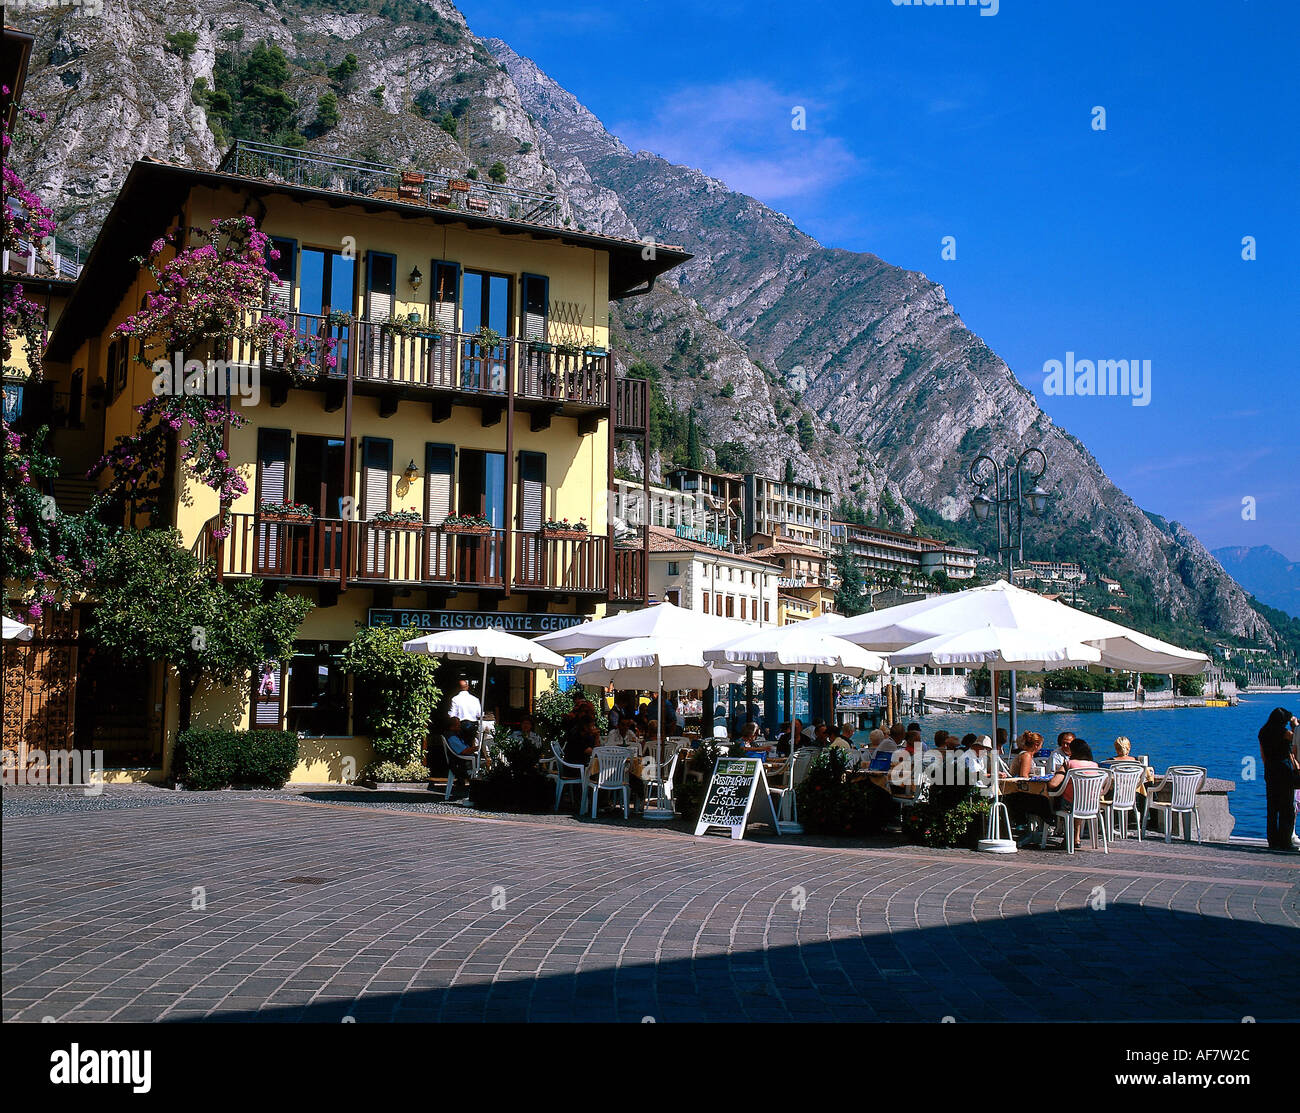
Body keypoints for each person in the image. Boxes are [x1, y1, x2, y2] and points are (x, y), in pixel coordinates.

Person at [1258, 708, 1298, 851]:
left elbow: (1263, 755)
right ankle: (1285, 842)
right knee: (1286, 808)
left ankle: (1272, 840)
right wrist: (1295, 724)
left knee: (1272, 807)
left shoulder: (1263, 732)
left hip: (1270, 769)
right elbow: (1297, 738)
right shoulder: (1285, 733)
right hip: (1284, 770)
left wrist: (1269, 767)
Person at [1048, 737, 1100, 845]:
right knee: (1079, 799)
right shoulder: (1095, 766)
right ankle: (1076, 838)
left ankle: (1064, 833)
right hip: (1091, 804)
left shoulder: (1069, 764)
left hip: (1070, 805)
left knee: (1061, 798)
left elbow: (1053, 783)